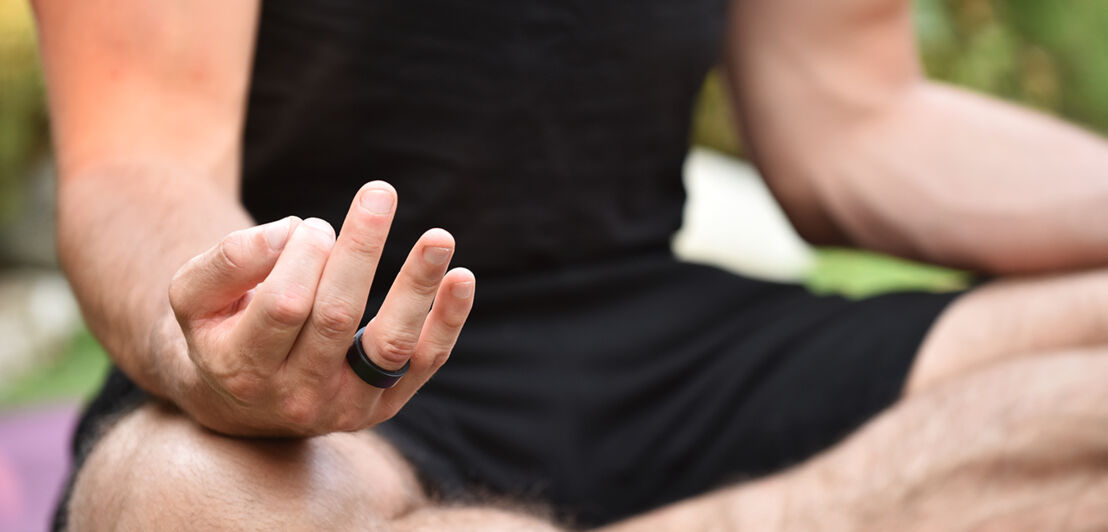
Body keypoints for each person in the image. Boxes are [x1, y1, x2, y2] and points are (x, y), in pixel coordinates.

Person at [33, 0, 1108, 529]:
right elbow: (138, 160)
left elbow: (855, 118)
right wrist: (228, 341)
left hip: (670, 344)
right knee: (179, 502)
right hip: (334, 386)